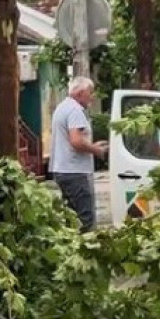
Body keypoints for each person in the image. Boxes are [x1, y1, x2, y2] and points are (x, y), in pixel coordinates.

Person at [50, 77, 108, 230]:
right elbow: (76, 141)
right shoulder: (75, 110)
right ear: (81, 93)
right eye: (90, 92)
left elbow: (71, 140)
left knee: (71, 219)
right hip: (75, 172)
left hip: (63, 170)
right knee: (85, 220)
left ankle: (71, 250)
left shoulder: (63, 107)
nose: (92, 96)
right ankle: (86, 250)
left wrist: (92, 145)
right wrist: (97, 150)